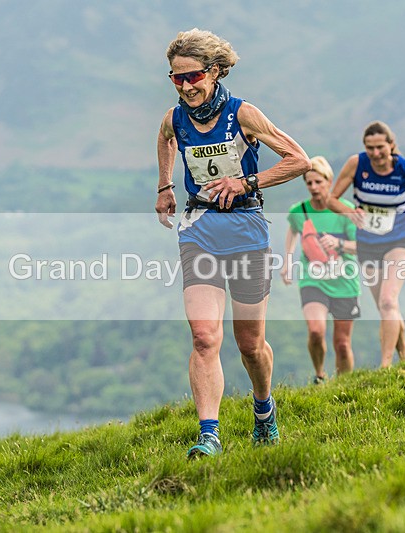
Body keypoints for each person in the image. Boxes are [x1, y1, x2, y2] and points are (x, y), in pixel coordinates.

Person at [155, 29, 310, 458]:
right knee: (205, 337)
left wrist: (246, 182)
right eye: (177, 78)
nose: (186, 86)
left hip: (245, 230)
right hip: (200, 229)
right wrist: (165, 186)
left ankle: (264, 409)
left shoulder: (243, 114)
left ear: (216, 71)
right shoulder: (174, 118)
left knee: (250, 344)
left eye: (193, 76)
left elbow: (299, 160)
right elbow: (165, 138)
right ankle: (209, 435)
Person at [328, 121, 405, 368]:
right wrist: (349, 212)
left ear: (391, 145)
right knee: (386, 306)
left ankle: (386, 367)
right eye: (370, 148)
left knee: (388, 301)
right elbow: (332, 199)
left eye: (380, 147)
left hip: (399, 242)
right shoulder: (356, 164)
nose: (375, 153)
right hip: (368, 244)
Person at [282, 156, 360, 384]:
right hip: (312, 280)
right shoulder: (299, 211)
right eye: (309, 183)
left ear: (330, 181)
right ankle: (319, 375)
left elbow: (361, 247)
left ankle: (345, 387)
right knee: (316, 331)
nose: (314, 187)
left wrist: (339, 244)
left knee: (342, 344)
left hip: (344, 282)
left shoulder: (346, 211)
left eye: (319, 182)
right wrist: (288, 259)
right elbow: (293, 230)